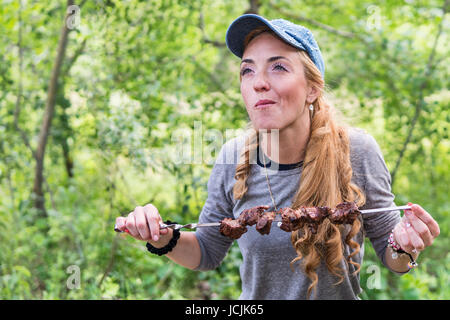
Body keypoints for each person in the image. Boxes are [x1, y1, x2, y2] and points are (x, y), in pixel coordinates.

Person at [115, 14, 440, 299]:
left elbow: (392, 256)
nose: (258, 83)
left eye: (279, 67)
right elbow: (207, 252)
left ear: (312, 88)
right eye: (247, 71)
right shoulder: (232, 156)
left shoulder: (357, 151)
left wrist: (404, 245)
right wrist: (161, 237)